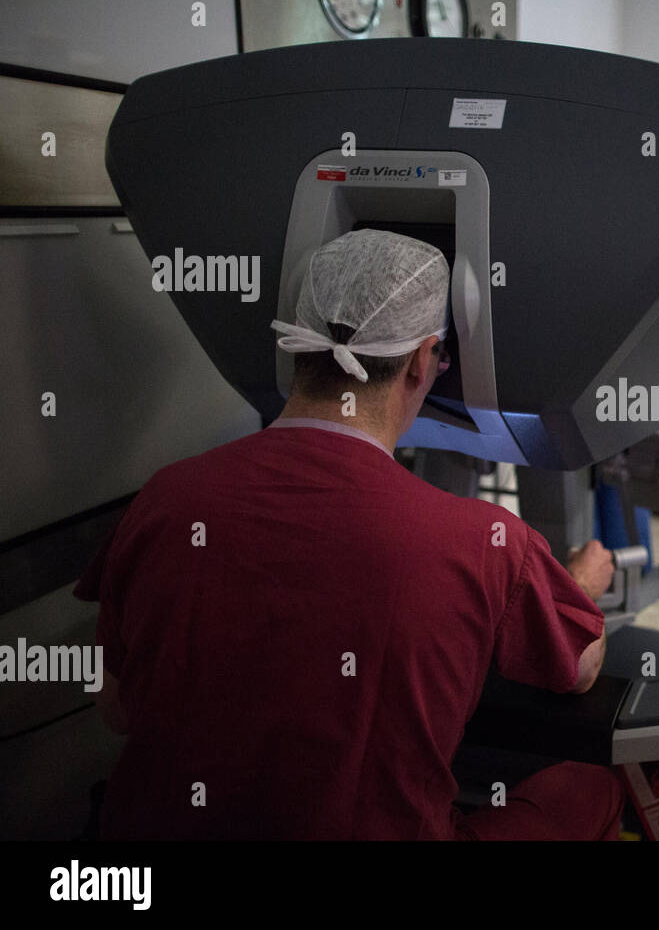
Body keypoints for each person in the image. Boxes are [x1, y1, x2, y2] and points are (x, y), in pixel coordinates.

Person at [75, 229, 624, 840]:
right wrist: (577, 585)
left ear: (295, 348)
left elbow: (116, 711)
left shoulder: (165, 499)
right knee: (589, 787)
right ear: (423, 360)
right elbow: (578, 669)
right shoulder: (487, 541)